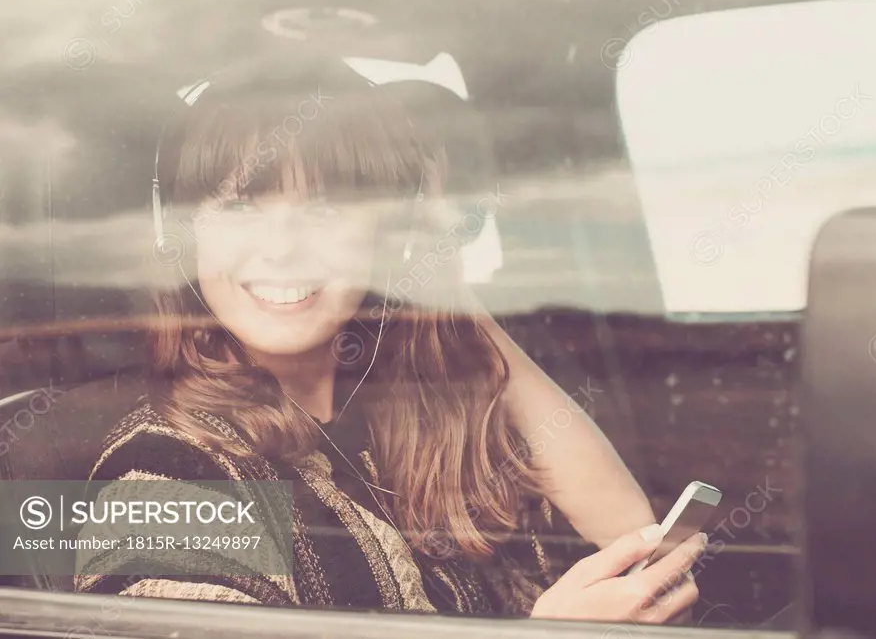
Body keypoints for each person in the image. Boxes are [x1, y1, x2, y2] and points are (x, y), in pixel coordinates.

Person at [74, 53, 706, 622]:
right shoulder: (168, 471)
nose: (283, 248)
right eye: (239, 207)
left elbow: (634, 542)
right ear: (184, 236)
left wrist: (436, 274)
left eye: (327, 209)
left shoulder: (404, 406)